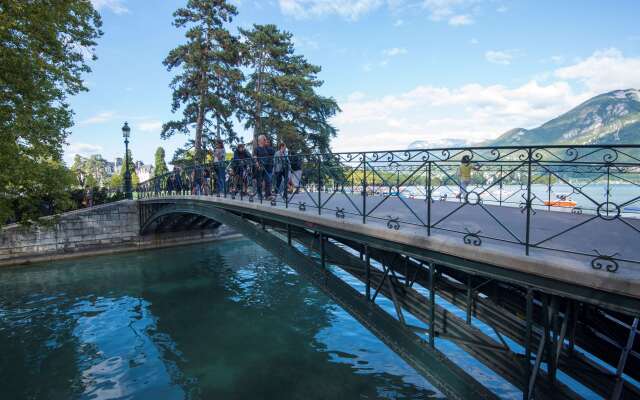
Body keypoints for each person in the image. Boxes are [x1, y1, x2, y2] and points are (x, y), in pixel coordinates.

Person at [255, 135, 274, 200]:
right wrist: (257, 163)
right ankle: (259, 194)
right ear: (260, 140)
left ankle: (267, 195)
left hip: (267, 167)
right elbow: (255, 156)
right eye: (264, 139)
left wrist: (267, 145)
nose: (266, 140)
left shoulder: (267, 148)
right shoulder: (257, 148)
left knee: (268, 180)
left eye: (265, 139)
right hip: (260, 166)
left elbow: (272, 152)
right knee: (259, 181)